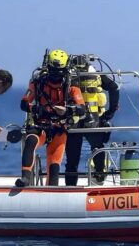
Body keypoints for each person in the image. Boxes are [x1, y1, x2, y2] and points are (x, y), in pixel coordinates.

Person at [15, 49, 85, 187]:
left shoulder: (71, 85)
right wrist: (37, 109)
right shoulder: (38, 82)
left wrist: (66, 110)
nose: (55, 77)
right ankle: (25, 178)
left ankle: (52, 189)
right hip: (40, 125)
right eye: (53, 71)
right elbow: (24, 103)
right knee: (30, 142)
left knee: (54, 165)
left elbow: (82, 108)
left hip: (59, 127)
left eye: (58, 72)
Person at [65, 55, 119, 186]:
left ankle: (70, 187)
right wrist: (110, 112)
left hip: (74, 121)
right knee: (98, 148)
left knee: (72, 160)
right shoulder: (97, 75)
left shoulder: (67, 76)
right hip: (94, 119)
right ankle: (100, 176)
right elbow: (114, 87)